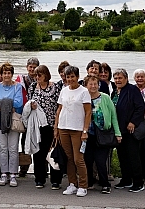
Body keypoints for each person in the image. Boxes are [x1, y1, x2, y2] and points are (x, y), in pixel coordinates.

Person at [54, 65, 91, 197]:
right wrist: (56, 127)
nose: (70, 79)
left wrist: (85, 130)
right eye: (68, 77)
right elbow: (59, 110)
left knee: (78, 159)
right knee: (68, 158)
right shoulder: (64, 90)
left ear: (77, 77)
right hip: (63, 127)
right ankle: (72, 183)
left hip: (77, 129)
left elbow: (88, 112)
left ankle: (83, 185)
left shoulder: (84, 92)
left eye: (72, 76)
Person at [82, 74, 121, 194]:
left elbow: (113, 115)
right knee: (87, 160)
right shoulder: (83, 98)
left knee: (100, 161)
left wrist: (118, 133)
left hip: (104, 134)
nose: (93, 86)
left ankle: (105, 184)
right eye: (91, 84)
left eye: (95, 84)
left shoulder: (105, 98)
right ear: (86, 85)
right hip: (88, 134)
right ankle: (89, 182)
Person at [0, 62, 24, 187]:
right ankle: (4, 173)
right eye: (4, 73)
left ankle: (13, 174)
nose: (6, 75)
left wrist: (1, 104)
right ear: (1, 74)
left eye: (9, 73)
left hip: (13, 122)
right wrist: (7, 106)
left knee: (13, 148)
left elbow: (18, 103)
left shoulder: (17, 87)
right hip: (0, 122)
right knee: (3, 148)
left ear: (12, 74)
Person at [113, 68, 145, 192]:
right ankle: (126, 179)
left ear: (126, 79)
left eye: (120, 78)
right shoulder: (115, 92)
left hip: (130, 129)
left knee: (133, 156)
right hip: (119, 130)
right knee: (122, 156)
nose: (118, 80)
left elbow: (141, 107)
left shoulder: (132, 90)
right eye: (116, 78)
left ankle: (138, 182)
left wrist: (133, 122)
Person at [29, 65, 63, 189]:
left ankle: (55, 180)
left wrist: (57, 125)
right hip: (37, 125)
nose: (37, 77)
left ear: (46, 75)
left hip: (51, 125)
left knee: (53, 152)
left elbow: (60, 106)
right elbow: (28, 102)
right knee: (38, 152)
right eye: (36, 75)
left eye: (40, 75)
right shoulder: (32, 87)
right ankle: (39, 179)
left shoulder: (55, 87)